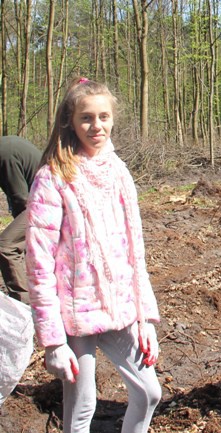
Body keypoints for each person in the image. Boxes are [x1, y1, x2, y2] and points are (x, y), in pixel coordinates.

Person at [25, 77, 161, 433]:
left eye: (104, 116)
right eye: (86, 117)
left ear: (113, 119)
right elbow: (38, 265)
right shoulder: (52, 178)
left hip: (121, 310)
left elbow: (136, 250)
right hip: (75, 316)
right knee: (81, 410)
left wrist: (145, 318)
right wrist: (53, 342)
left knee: (149, 393)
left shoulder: (118, 171)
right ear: (70, 120)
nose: (96, 126)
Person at [0, 136, 41, 303]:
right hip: (43, 200)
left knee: (6, 245)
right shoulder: (6, 146)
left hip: (50, 202)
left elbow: (22, 200)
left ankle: (23, 304)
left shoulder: (3, 154)